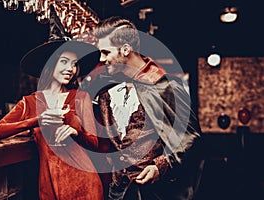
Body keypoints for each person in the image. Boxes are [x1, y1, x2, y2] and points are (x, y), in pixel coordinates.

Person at [0, 6, 103, 200]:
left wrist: (77, 132)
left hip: (85, 183)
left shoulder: (80, 97)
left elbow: (94, 143)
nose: (71, 69)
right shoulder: (30, 102)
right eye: (64, 62)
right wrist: (37, 120)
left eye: (74, 64)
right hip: (49, 181)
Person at [86, 16, 203, 200]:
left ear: (125, 49)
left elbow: (190, 137)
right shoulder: (107, 92)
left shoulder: (164, 86)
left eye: (106, 52)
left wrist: (160, 166)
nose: (102, 59)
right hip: (116, 192)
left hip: (154, 192)